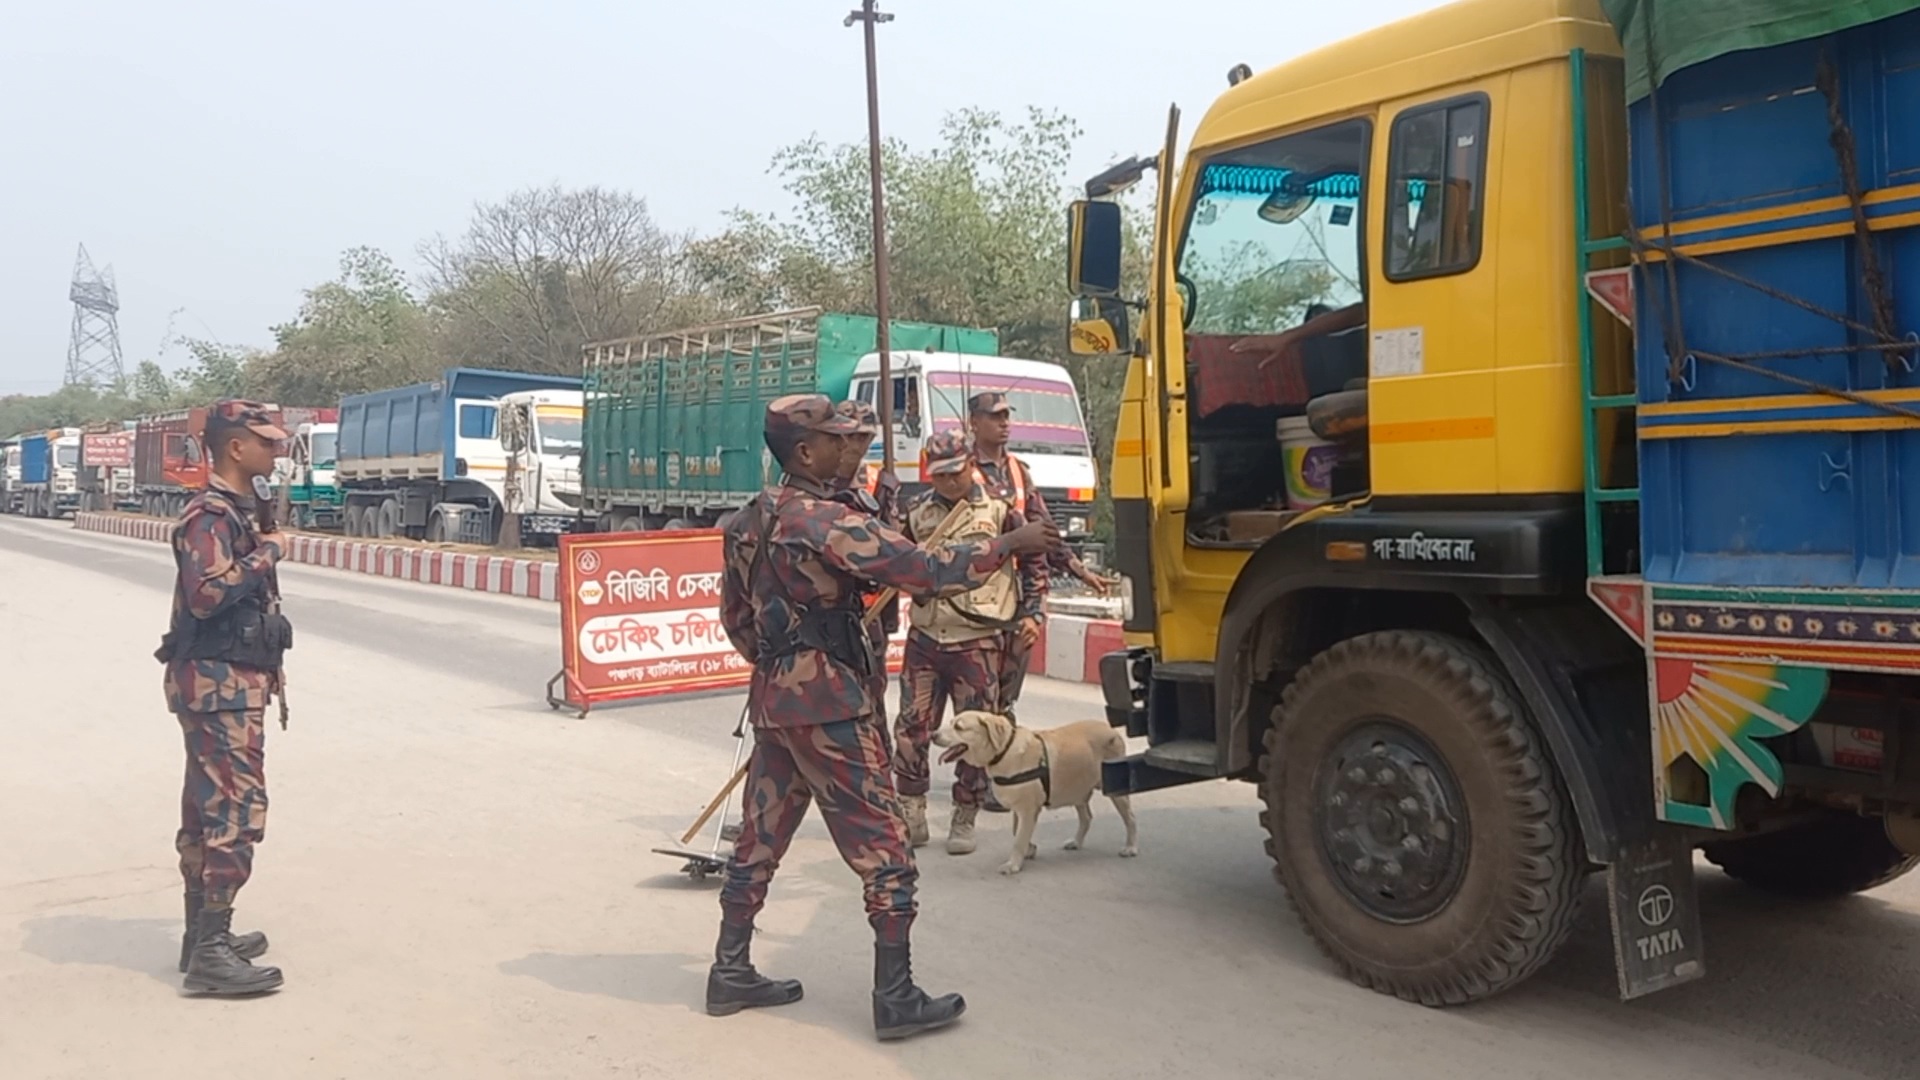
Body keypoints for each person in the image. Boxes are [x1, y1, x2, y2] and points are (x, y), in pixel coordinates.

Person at [708, 393, 1060, 1042]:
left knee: (758, 841)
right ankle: (894, 996)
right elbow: (923, 571)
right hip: (834, 708)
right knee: (889, 854)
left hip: (776, 703)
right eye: (839, 441)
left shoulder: (749, 519)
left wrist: (785, 667)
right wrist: (1009, 541)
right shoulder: (823, 522)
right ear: (805, 452)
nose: (853, 448)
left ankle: (730, 969)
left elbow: (738, 621)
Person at [155, 400, 292, 996]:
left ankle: (201, 936)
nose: (276, 449)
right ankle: (212, 949)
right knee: (236, 810)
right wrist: (270, 551)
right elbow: (208, 596)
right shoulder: (211, 515)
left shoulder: (234, 510)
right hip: (218, 687)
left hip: (224, 683)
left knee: (206, 807)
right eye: (266, 441)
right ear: (237, 447)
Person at [894, 430, 1043, 855]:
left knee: (977, 732)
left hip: (977, 639)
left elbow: (1034, 559)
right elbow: (897, 562)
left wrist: (1033, 611)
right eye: (939, 475)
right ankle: (912, 809)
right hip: (926, 636)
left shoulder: (999, 510)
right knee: (911, 727)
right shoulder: (916, 511)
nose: (948, 482)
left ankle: (965, 814)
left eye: (955, 473)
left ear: (970, 465)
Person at [967, 391, 1107, 743]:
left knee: (1007, 688)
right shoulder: (961, 472)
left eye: (1006, 416)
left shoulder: (1018, 471)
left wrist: (1076, 567)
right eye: (995, 417)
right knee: (978, 690)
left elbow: (1042, 526)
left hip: (1020, 591)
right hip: (977, 595)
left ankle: (1000, 759)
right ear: (974, 423)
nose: (1005, 423)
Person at [830, 400, 902, 721]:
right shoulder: (815, 481)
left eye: (864, 437)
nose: (856, 445)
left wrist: (886, 620)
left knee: (871, 699)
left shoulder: (881, 484)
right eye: (849, 436)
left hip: (867, 614)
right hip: (821, 613)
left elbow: (894, 553)